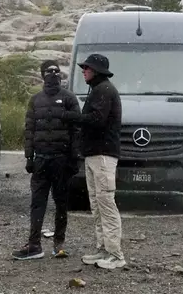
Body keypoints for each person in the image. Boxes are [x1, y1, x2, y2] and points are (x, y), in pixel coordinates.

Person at [61, 53, 126, 270]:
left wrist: (73, 117)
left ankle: (116, 254)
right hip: (94, 154)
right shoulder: (99, 90)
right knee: (97, 203)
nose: (83, 71)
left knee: (106, 203)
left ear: (96, 71)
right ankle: (103, 248)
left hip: (103, 155)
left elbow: (97, 121)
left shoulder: (104, 90)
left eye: (87, 68)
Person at [11, 60, 82, 261]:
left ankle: (59, 243)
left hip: (61, 160)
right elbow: (29, 130)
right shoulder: (35, 100)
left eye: (56, 71)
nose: (53, 75)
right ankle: (34, 244)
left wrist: (75, 158)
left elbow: (77, 130)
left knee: (61, 202)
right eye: (49, 71)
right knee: (37, 203)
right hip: (41, 159)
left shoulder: (69, 98)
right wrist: (29, 157)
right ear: (42, 75)